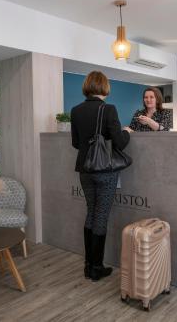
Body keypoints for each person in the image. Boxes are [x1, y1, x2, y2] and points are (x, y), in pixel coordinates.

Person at [70, 71, 131, 282]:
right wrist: (127, 132)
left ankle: (88, 265)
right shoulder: (108, 109)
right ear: (104, 87)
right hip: (105, 171)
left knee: (91, 213)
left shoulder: (76, 110)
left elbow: (76, 143)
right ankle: (96, 267)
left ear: (87, 86)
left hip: (85, 170)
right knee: (101, 215)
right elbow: (120, 143)